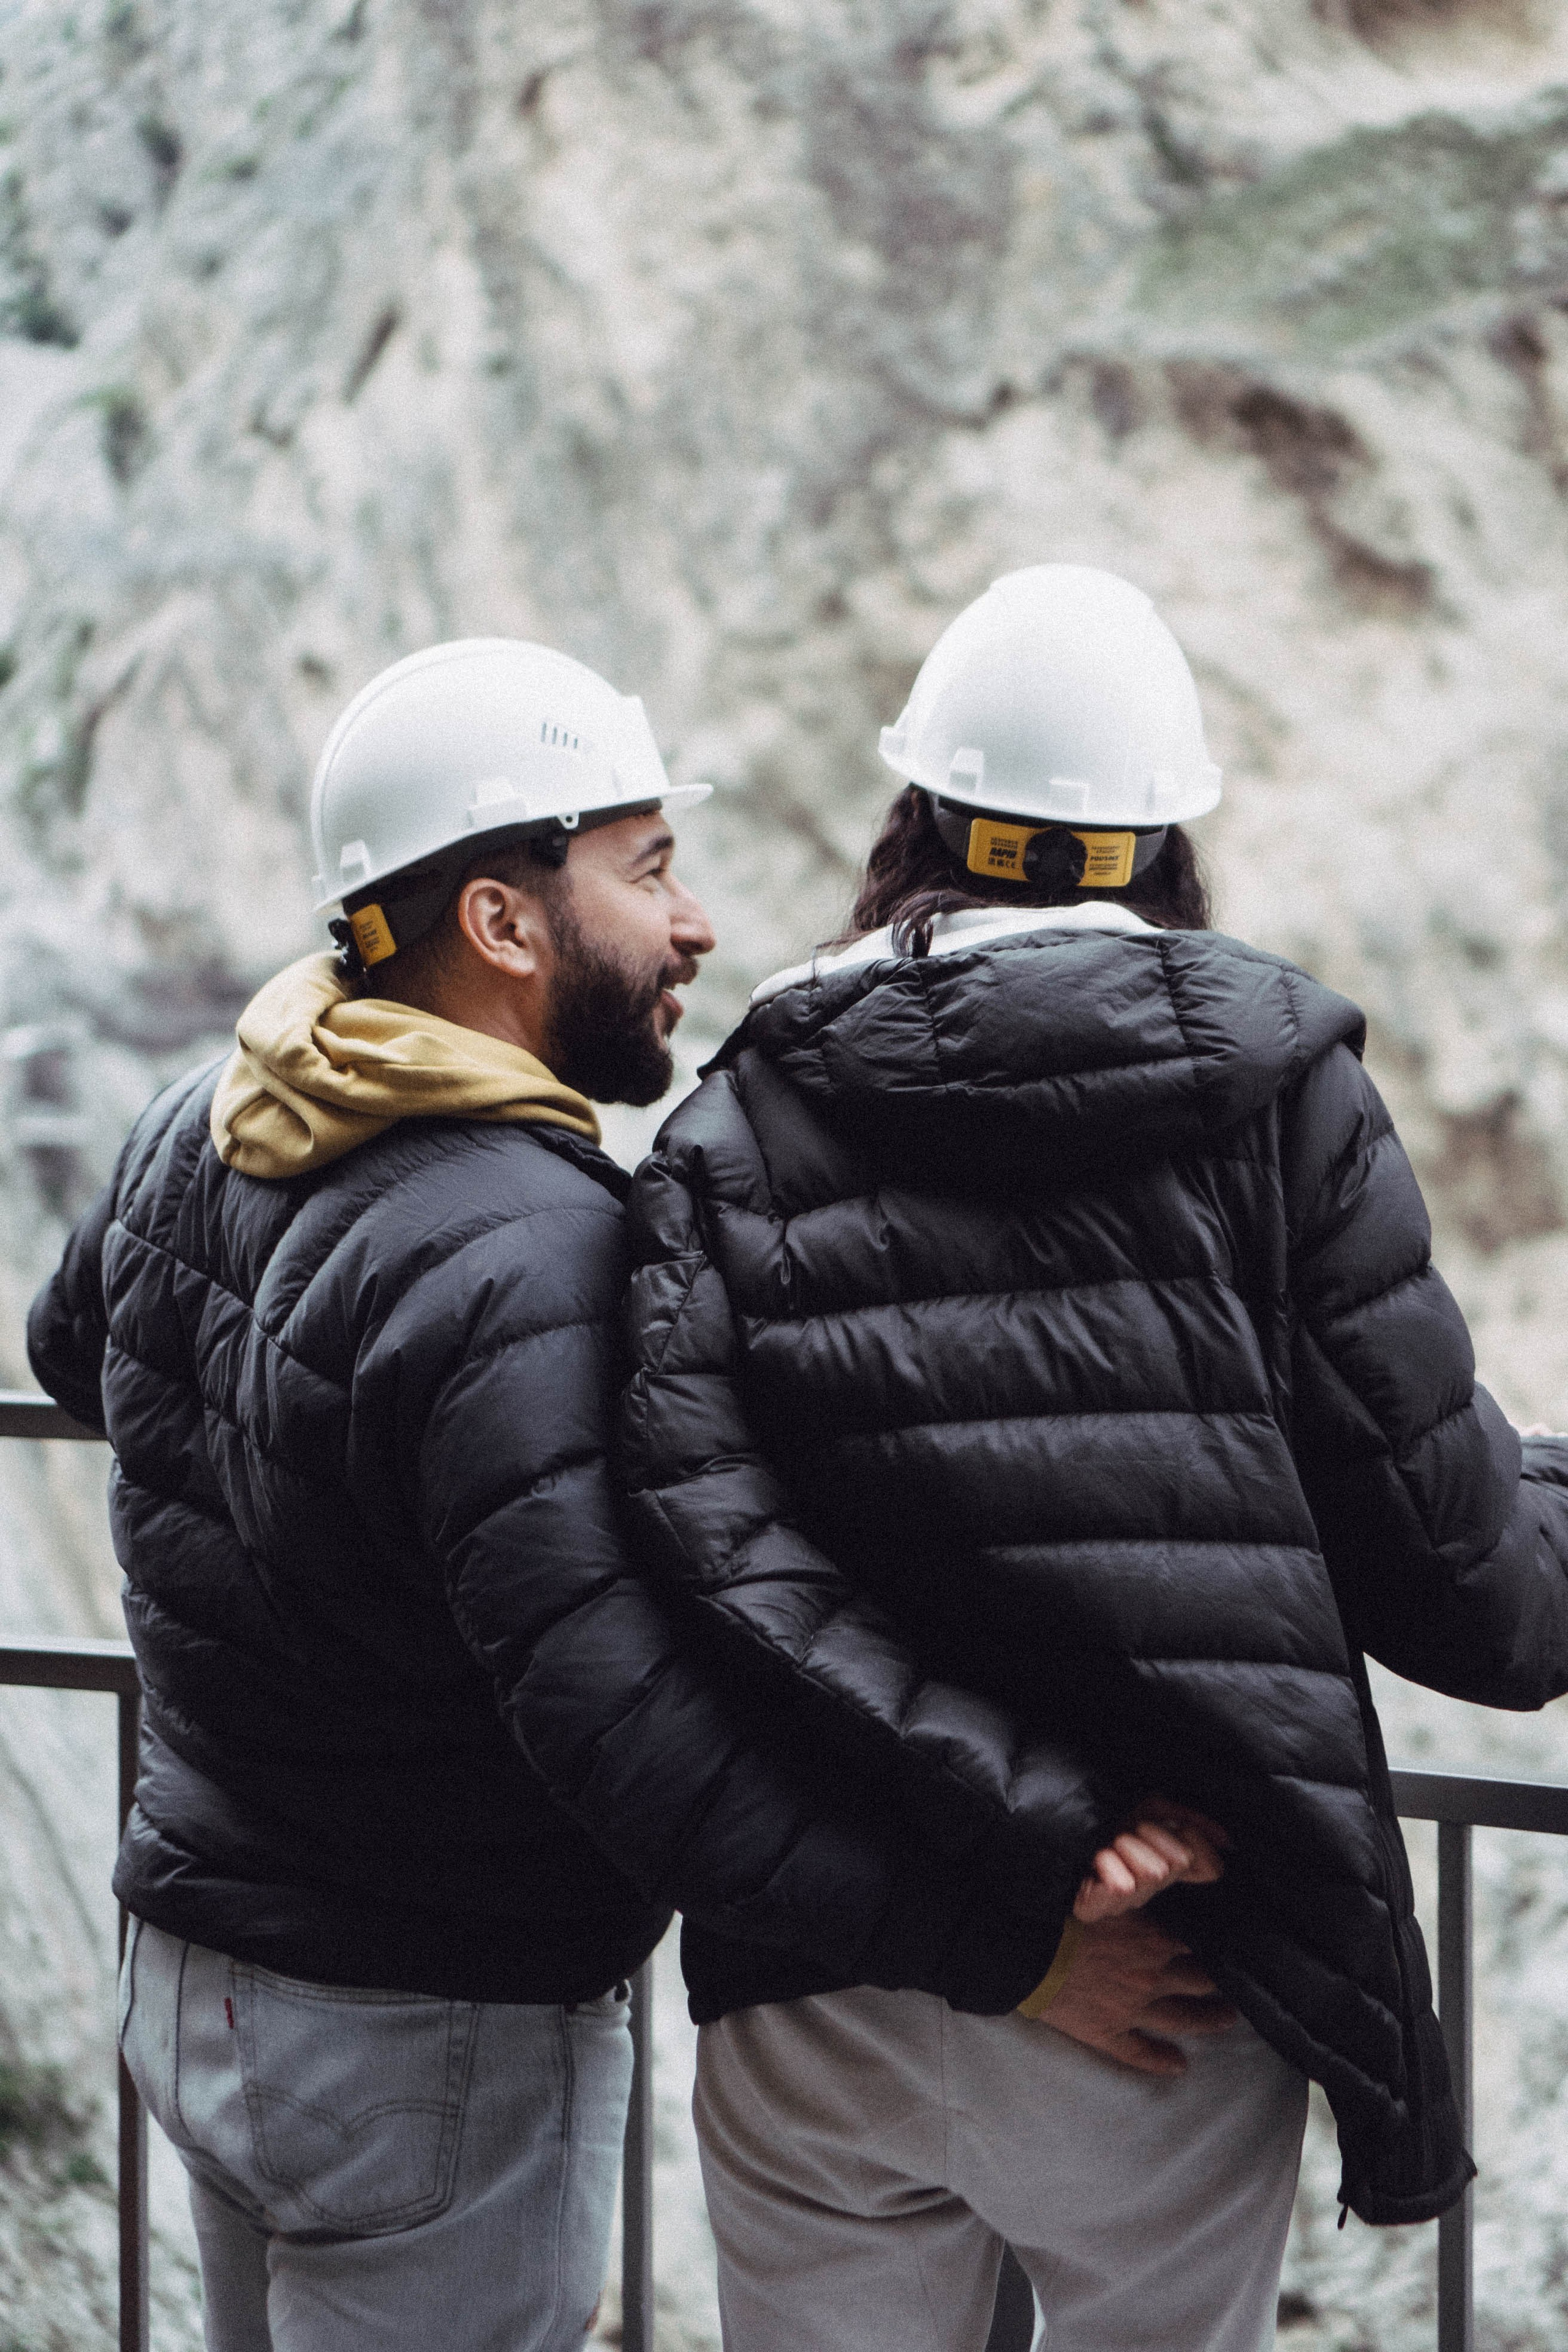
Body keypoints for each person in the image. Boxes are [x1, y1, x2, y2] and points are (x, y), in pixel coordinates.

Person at [27, 636, 1187, 2352]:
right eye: (648, 871)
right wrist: (1001, 1949)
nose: (696, 926)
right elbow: (636, 1743)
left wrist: (316, 1539)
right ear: (501, 924)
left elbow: (79, 1354)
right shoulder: (539, 1251)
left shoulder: (208, 1107)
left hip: (197, 1968)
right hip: (418, 2033)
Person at [618, 564, 1568, 2352]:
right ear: (1160, 846)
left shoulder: (730, 1124)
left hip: (824, 1981)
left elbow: (702, 1555)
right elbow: (1482, 1603)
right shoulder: (1283, 1099)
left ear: (917, 818)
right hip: (1171, 1971)